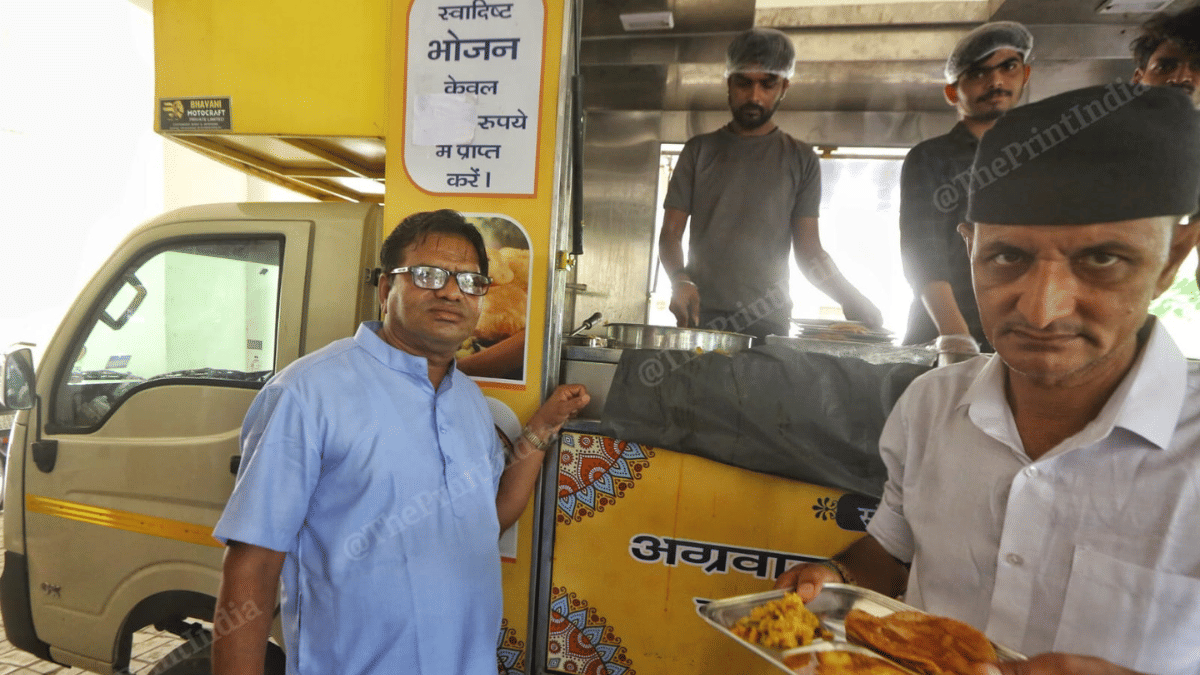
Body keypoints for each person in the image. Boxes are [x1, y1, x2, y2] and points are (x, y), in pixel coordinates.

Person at [777, 84, 1200, 675]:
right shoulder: (930, 405)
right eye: (1007, 258)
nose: (1042, 310)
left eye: (1101, 260)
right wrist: (838, 578)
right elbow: (894, 551)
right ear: (969, 245)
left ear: (1174, 258)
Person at [210, 209, 590, 674]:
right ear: (387, 289)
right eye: (429, 275)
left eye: (471, 281)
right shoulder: (308, 394)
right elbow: (254, 566)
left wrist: (541, 430)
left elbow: (486, 519)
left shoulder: (469, 403)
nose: (452, 291)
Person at [659, 27, 883, 342]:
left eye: (768, 84)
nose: (754, 96)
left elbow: (809, 251)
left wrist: (850, 297)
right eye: (744, 83)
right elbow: (670, 235)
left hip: (768, 322)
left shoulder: (801, 158)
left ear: (784, 87)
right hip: (701, 321)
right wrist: (679, 280)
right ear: (729, 83)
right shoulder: (699, 151)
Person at [899, 22, 1033, 363]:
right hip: (940, 338)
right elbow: (921, 253)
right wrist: (955, 337)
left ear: (1025, 74)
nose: (996, 81)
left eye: (1008, 66)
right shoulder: (929, 158)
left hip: (1023, 336)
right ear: (952, 92)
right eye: (977, 73)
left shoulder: (1043, 157)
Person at [1130, 1, 1200, 287]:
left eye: (1197, 67)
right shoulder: (1097, 146)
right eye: (1165, 66)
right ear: (1138, 80)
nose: (1181, 77)